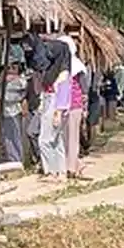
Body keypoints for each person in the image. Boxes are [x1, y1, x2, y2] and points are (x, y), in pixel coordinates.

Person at [38, 36, 72, 181]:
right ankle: (61, 172)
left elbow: (63, 94)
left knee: (45, 140)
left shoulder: (63, 73)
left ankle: (51, 172)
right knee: (56, 140)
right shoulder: (54, 70)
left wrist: (58, 113)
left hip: (55, 105)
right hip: (51, 102)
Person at [61, 36, 87, 178]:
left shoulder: (76, 66)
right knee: (64, 137)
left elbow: (84, 90)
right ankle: (69, 164)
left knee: (72, 137)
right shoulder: (62, 64)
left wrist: (84, 107)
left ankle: (71, 167)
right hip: (63, 106)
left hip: (74, 105)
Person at [0, 55, 26, 164]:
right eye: (8, 68)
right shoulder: (3, 81)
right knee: (7, 138)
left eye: (13, 68)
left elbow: (11, 96)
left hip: (13, 112)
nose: (10, 70)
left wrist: (9, 80)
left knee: (15, 137)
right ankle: (11, 160)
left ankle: (17, 161)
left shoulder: (20, 82)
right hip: (5, 112)